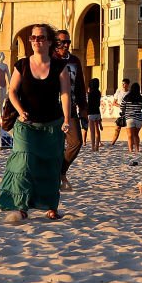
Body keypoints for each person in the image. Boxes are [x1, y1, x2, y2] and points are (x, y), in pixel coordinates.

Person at [0, 23, 72, 221]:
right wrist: (20, 111)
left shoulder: (59, 67)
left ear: (49, 42)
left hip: (52, 124)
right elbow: (12, 91)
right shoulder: (21, 65)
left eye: (40, 37)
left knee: (50, 165)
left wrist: (66, 118)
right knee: (24, 165)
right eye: (33, 37)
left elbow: (65, 94)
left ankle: (51, 206)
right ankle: (21, 207)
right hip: (26, 125)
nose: (36, 41)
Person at [53, 29, 86, 190]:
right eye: (62, 42)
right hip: (51, 109)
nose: (65, 45)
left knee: (76, 142)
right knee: (53, 145)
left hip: (71, 108)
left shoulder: (74, 60)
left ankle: (60, 171)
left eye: (68, 42)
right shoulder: (49, 59)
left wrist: (84, 108)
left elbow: (80, 85)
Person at [121, 84, 142, 157]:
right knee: (136, 135)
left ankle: (130, 150)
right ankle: (137, 149)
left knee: (130, 136)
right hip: (138, 119)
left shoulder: (127, 97)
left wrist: (124, 112)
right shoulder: (141, 98)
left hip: (129, 118)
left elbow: (122, 107)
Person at [109, 78, 130, 148]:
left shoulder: (129, 93)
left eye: (125, 84)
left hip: (128, 113)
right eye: (122, 84)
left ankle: (131, 143)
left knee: (129, 130)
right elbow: (114, 103)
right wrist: (120, 106)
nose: (123, 85)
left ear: (128, 85)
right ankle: (112, 143)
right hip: (120, 113)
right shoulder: (118, 92)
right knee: (117, 129)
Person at [87, 78, 103, 152]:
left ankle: (93, 147)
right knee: (97, 130)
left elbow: (89, 104)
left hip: (91, 113)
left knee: (92, 131)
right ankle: (97, 146)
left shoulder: (90, 93)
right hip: (97, 112)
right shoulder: (98, 92)